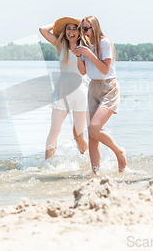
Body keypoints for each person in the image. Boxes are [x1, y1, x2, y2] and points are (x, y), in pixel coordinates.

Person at [73, 16, 126, 175]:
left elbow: (104, 69)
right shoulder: (85, 45)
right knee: (92, 135)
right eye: (81, 29)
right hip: (93, 86)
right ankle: (95, 172)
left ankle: (119, 152)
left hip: (109, 87)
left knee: (94, 128)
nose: (84, 32)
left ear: (95, 28)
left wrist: (89, 54)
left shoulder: (104, 43)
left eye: (86, 28)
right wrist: (78, 55)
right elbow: (82, 72)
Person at [39, 17, 89, 160]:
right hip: (62, 92)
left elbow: (85, 71)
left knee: (78, 137)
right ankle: (47, 165)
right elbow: (42, 30)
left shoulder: (85, 48)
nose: (71, 32)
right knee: (54, 130)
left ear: (79, 32)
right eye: (68, 28)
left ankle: (88, 161)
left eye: (74, 28)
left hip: (80, 93)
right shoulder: (60, 45)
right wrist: (57, 25)